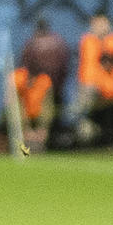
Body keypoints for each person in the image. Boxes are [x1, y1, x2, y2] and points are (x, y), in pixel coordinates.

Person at [15, 19, 72, 150]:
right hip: (55, 86)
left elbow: (25, 63)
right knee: (52, 115)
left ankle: (33, 143)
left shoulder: (31, 43)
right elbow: (65, 66)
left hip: (35, 85)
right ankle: (48, 145)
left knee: (37, 108)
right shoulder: (59, 42)